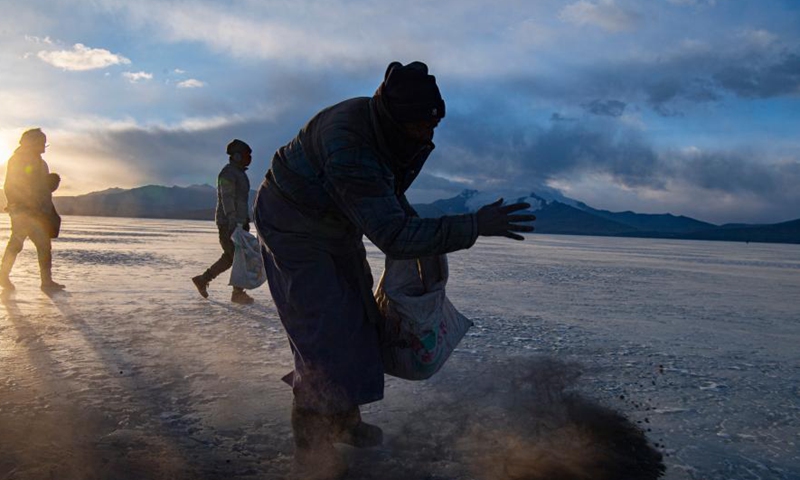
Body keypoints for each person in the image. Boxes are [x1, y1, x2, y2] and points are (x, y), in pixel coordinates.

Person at [253, 61, 536, 480]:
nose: (428, 134)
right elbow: (393, 235)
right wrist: (472, 226)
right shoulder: (348, 142)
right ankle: (311, 457)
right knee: (323, 330)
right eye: (421, 126)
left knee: (360, 315)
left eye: (433, 125)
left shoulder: (398, 129)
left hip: (335, 220)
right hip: (292, 222)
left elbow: (388, 193)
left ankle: (345, 420)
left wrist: (427, 231)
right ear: (392, 113)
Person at [192, 139, 256, 305]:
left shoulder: (240, 174)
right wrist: (232, 221)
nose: (248, 159)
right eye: (245, 155)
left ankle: (203, 279)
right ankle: (237, 293)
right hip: (229, 222)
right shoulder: (228, 173)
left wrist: (245, 220)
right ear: (236, 156)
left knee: (232, 257)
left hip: (240, 222)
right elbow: (227, 198)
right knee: (237, 257)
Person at [0, 128, 65, 292]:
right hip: (24, 211)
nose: (44, 147)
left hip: (39, 212)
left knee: (42, 245)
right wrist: (18, 204)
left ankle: (46, 281)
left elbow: (42, 189)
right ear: (32, 143)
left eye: (45, 144)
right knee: (17, 243)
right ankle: (3, 274)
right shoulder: (18, 160)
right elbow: (11, 185)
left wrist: (51, 184)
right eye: (42, 143)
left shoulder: (41, 163)